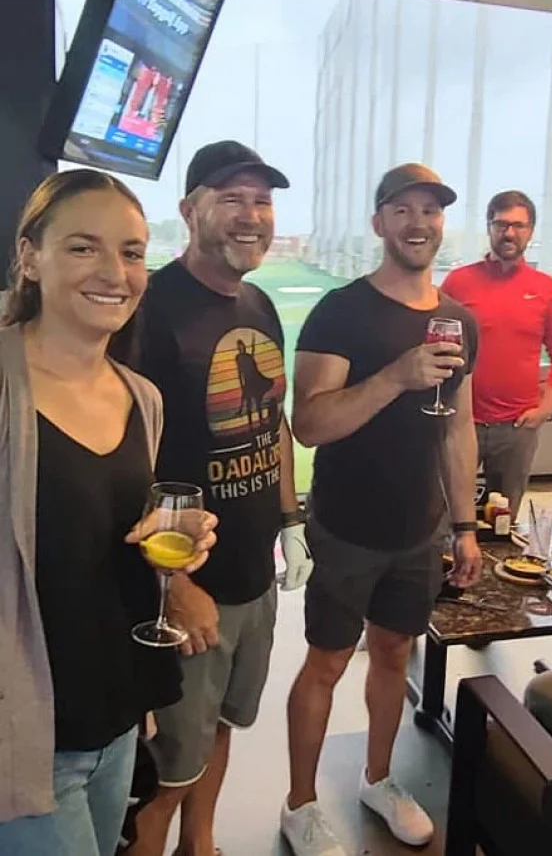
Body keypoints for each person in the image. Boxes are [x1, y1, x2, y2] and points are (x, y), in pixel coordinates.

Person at [0, 169, 217, 856]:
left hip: (118, 716)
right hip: (28, 741)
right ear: (30, 257)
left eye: (131, 252)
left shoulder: (140, 397)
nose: (115, 272)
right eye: (83, 248)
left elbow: (105, 543)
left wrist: (171, 561)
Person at [280, 162, 482, 855]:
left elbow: (458, 427)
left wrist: (464, 527)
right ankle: (300, 804)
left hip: (418, 530)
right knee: (328, 664)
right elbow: (309, 423)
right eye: (403, 210)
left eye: (430, 211)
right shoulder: (341, 310)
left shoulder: (460, 322)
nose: (418, 223)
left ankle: (378, 778)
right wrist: (395, 377)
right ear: (379, 223)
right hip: (346, 527)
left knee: (395, 654)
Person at [124, 140, 313, 856]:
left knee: (225, 726)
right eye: (231, 198)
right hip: (188, 586)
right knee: (169, 769)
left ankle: (201, 846)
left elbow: (272, 422)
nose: (251, 215)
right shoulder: (152, 311)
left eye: (261, 200)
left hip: (252, 576)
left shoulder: (260, 303)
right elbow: (120, 464)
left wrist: (291, 521)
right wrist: (173, 585)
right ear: (189, 209)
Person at [442, 190, 552, 522]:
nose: (509, 233)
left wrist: (547, 406)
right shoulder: (459, 282)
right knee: (443, 517)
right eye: (501, 224)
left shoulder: (544, 289)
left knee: (501, 521)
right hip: (460, 423)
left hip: (516, 428)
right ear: (489, 227)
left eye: (518, 225)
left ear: (530, 231)